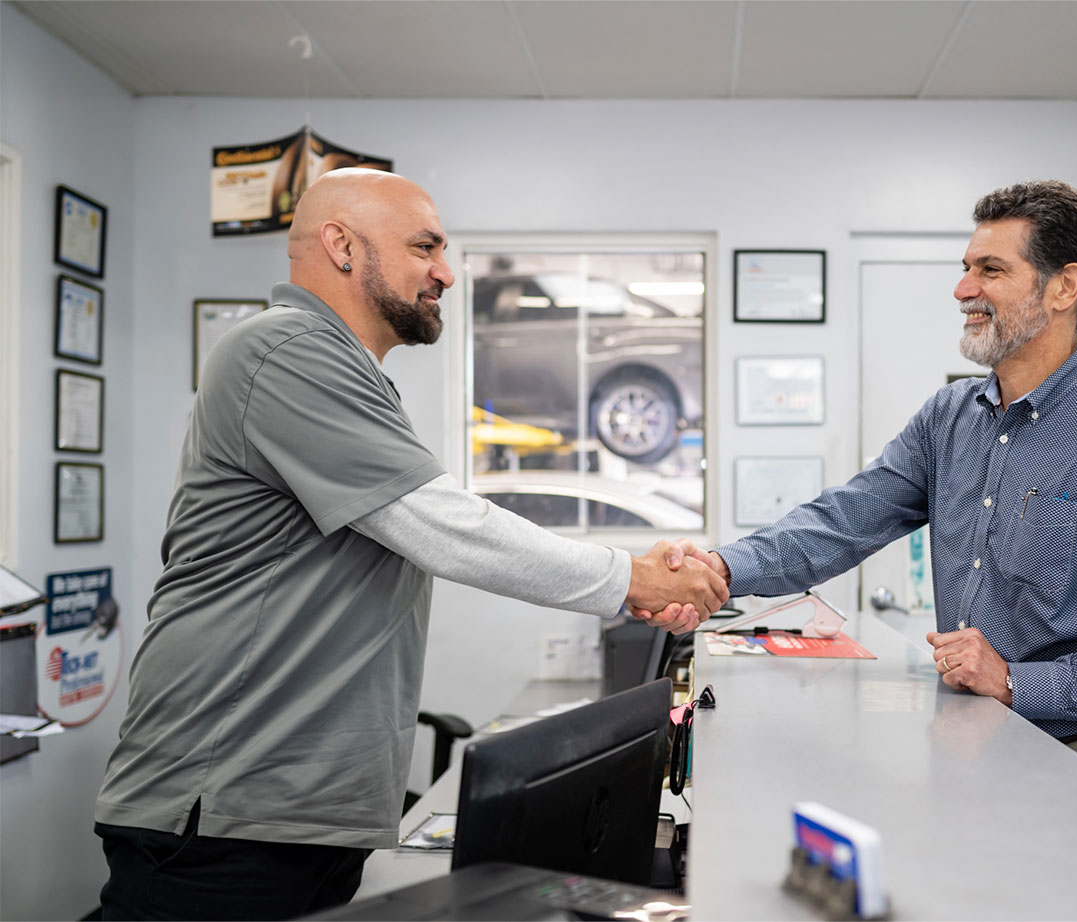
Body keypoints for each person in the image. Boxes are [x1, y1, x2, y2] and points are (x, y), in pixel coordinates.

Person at [93, 168, 727, 921]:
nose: (447, 272)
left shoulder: (351, 373)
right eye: (425, 246)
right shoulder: (286, 351)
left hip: (296, 814)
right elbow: (442, 524)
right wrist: (635, 579)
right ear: (340, 245)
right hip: (223, 810)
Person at [648, 180, 1077, 802]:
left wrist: (1020, 684)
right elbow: (847, 518)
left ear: (1064, 287)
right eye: (966, 269)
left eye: (991, 270)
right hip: (968, 743)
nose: (963, 290)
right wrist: (720, 567)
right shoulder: (950, 417)